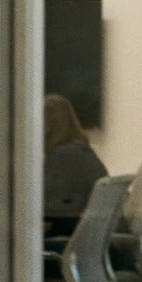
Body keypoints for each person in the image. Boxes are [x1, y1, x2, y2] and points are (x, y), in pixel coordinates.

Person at [43, 93, 108, 239]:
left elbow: (48, 208)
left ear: (47, 127)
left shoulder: (62, 156)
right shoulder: (82, 150)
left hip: (68, 243)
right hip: (87, 243)